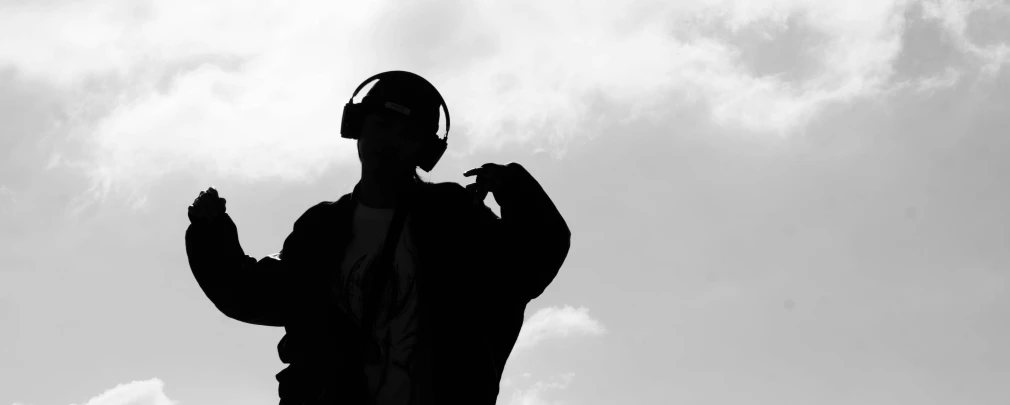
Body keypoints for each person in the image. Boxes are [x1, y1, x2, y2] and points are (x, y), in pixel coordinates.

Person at [184, 70, 571, 405]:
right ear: (357, 129)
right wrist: (210, 233)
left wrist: (514, 188)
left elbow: (531, 262)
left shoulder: (455, 217)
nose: (390, 141)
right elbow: (257, 294)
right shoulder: (321, 228)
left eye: (407, 133)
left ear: (426, 150)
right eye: (382, 126)